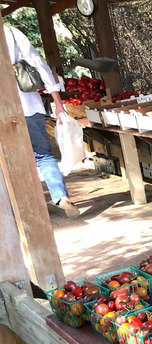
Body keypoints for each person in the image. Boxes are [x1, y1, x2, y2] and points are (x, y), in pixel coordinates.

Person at [4, 24, 79, 217]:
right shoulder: (11, 33)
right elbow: (38, 63)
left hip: (4, 112)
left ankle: (24, 208)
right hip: (29, 105)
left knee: (9, 160)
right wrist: (58, 102)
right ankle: (62, 197)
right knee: (43, 155)